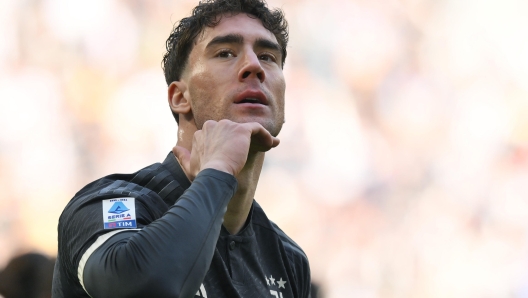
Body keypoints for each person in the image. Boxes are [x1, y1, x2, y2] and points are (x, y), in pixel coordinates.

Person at [52, 0, 311, 297]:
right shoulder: (108, 205)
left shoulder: (288, 259)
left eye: (267, 56)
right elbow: (144, 287)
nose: (254, 65)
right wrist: (218, 170)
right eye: (225, 53)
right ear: (179, 97)